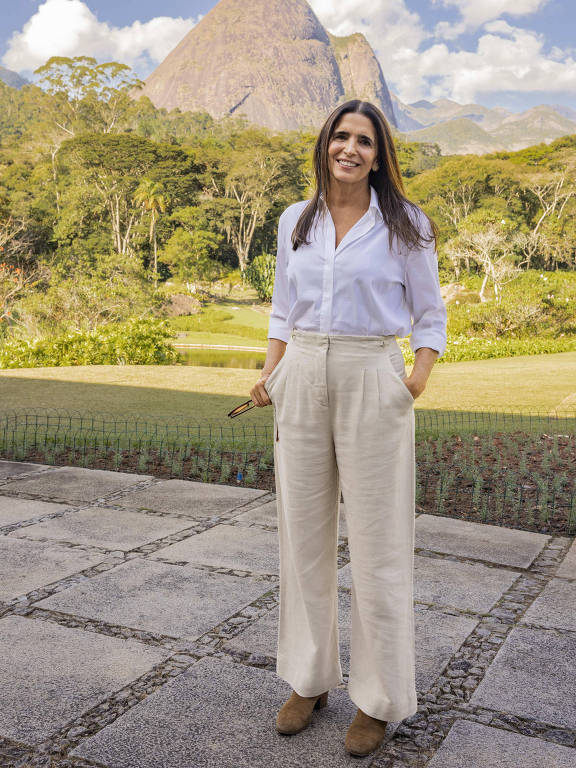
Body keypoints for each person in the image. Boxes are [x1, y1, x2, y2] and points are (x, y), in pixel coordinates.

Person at [249, 99, 447, 757]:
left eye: (364, 139)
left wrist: (413, 378)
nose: (350, 148)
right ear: (324, 145)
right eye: (341, 136)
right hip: (301, 370)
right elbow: (283, 307)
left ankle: (377, 699)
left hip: (372, 375)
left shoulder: (406, 224)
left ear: (378, 154)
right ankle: (308, 679)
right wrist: (271, 374)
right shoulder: (293, 221)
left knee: (378, 544)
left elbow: (429, 314)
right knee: (301, 537)